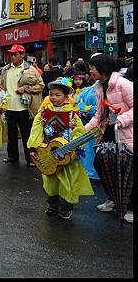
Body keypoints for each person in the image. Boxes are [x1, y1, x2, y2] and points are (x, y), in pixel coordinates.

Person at [27, 77, 94, 220]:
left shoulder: (72, 115)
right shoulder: (44, 113)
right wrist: (35, 146)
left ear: (66, 97)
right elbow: (36, 129)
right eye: (51, 94)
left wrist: (75, 148)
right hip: (49, 152)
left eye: (57, 95)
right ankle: (53, 204)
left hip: (66, 155)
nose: (53, 97)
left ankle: (65, 208)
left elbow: (79, 132)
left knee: (68, 182)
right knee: (51, 181)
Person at [85, 53, 134, 224]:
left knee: (126, 171)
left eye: (92, 67)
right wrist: (82, 130)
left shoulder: (122, 84)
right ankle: (113, 199)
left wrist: (121, 121)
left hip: (124, 134)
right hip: (107, 132)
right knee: (101, 163)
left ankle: (130, 207)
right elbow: (99, 115)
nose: (90, 71)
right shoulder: (99, 87)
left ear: (103, 69)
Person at [0, 45, 44, 166]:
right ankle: (12, 156)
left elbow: (41, 86)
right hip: (9, 106)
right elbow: (2, 86)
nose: (12, 57)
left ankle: (30, 158)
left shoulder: (31, 69)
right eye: (11, 54)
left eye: (15, 54)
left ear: (22, 55)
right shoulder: (5, 69)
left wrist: (26, 88)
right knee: (11, 134)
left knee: (27, 134)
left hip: (25, 107)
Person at [72, 71, 98, 179]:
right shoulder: (88, 90)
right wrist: (80, 110)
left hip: (94, 123)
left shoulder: (91, 90)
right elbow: (76, 103)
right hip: (85, 123)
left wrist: (87, 110)